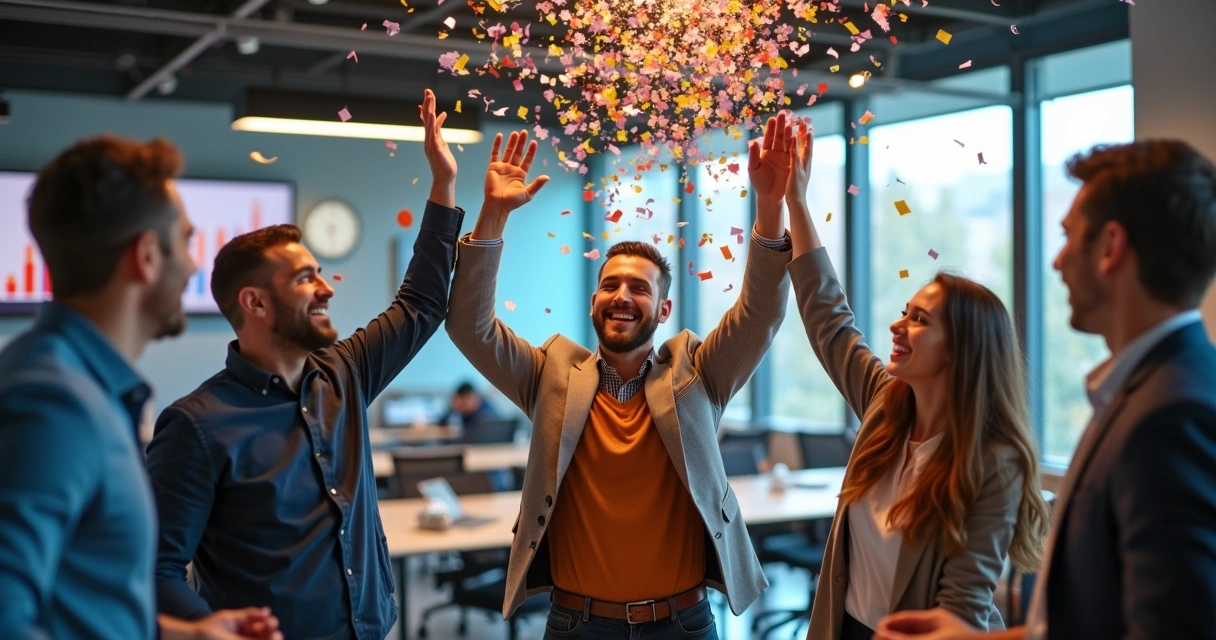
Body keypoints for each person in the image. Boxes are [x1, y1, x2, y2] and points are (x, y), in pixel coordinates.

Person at [445, 112, 801, 639]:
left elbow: (758, 315)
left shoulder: (699, 374)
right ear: (594, 303)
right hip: (576, 624)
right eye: (611, 285)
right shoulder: (549, 376)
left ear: (663, 309)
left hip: (682, 623)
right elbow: (470, 328)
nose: (622, 297)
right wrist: (493, 215)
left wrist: (770, 207)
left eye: (639, 288)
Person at [143, 90, 463, 639]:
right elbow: (155, 569)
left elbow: (421, 305)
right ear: (256, 303)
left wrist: (442, 186)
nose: (325, 289)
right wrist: (213, 627)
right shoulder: (195, 426)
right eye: (304, 279)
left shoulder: (345, 372)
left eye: (320, 272)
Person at [874, 141, 1216, 640]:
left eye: (1068, 236)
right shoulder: (1152, 389)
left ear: (1111, 247)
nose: (1056, 262)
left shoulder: (1170, 413)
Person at [0, 136, 280, 639]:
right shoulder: (53, 403)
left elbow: (76, 605)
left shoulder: (81, 385)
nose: (195, 265)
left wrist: (187, 634)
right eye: (186, 241)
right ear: (147, 255)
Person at [780, 120, 1050, 640]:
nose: (897, 326)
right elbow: (828, 318)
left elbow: (962, 606)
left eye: (919, 320)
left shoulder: (995, 462)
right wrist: (797, 201)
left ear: (963, 349)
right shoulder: (886, 403)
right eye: (906, 312)